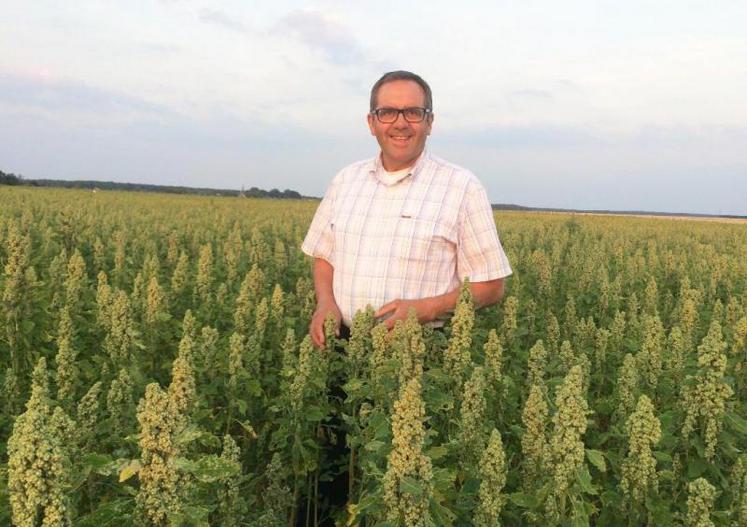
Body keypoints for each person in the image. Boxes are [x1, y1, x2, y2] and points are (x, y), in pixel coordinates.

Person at [302, 70, 512, 346]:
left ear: (429, 122)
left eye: (413, 112)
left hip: (418, 352)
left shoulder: (462, 187)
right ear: (371, 122)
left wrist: (425, 309)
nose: (400, 123)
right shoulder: (345, 180)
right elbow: (324, 255)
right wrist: (325, 302)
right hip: (340, 346)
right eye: (387, 112)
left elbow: (491, 287)